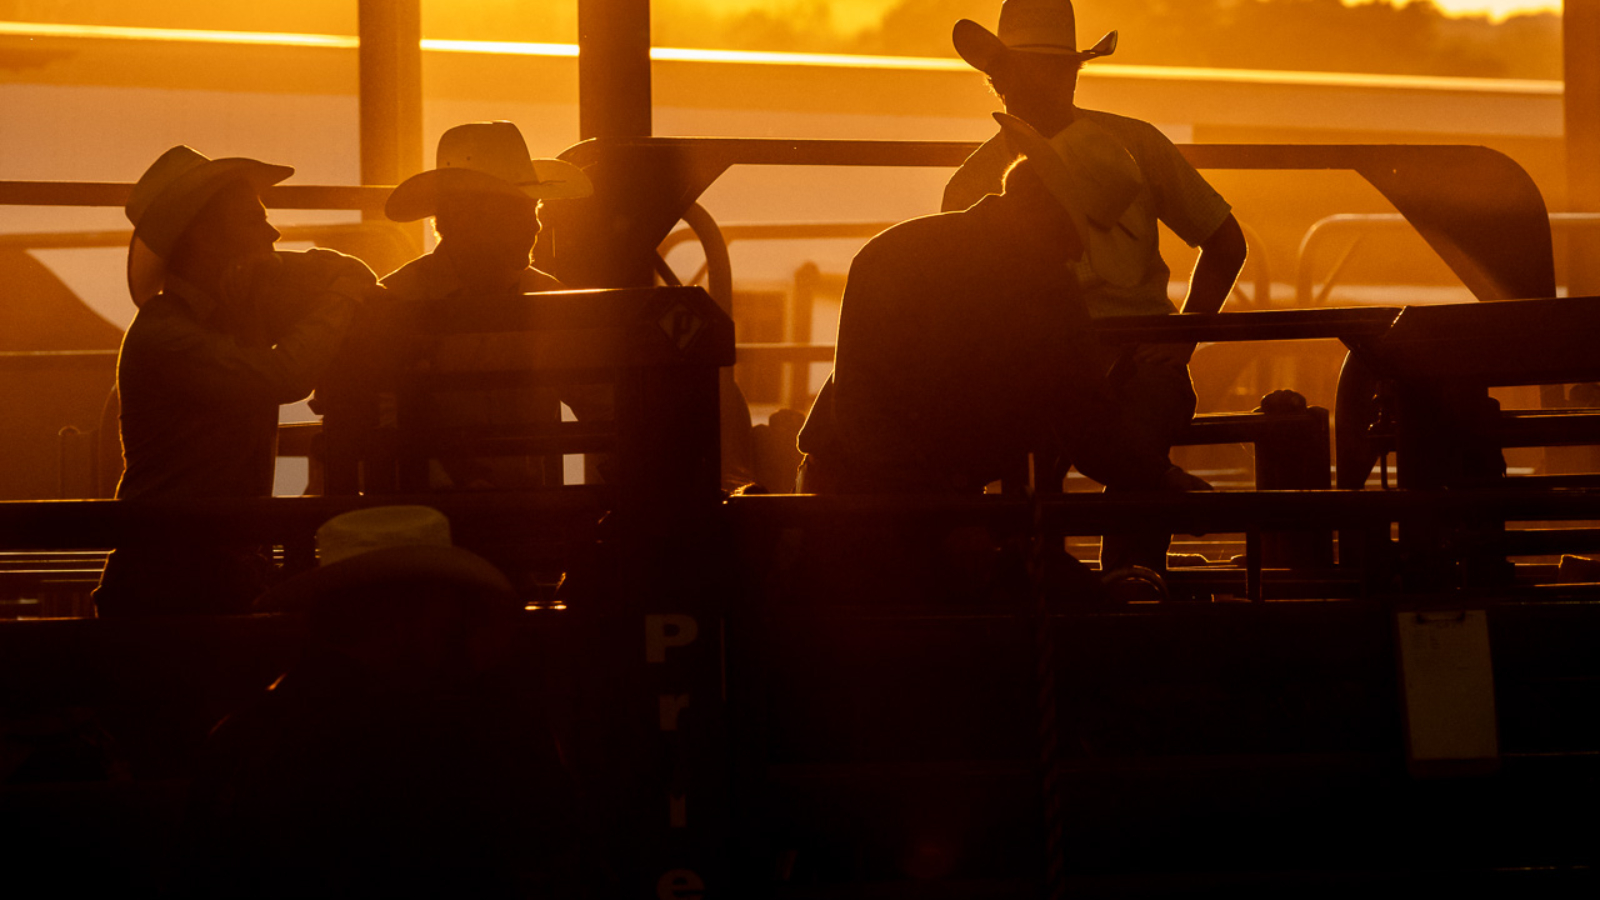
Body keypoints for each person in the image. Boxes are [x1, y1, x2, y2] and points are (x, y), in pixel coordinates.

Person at [944, 0, 1247, 573]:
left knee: (1035, 463)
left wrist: (1180, 338)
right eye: (1023, 71)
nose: (1035, 84)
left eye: (1050, 70)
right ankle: (1123, 586)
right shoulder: (1131, 146)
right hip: (1064, 364)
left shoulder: (973, 185)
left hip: (1113, 360)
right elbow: (1224, 241)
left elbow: (1227, 244)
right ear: (997, 79)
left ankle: (1074, 589)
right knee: (1123, 439)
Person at [183, 506, 583, 897]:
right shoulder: (444, 738)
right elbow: (548, 839)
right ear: (406, 613)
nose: (458, 621)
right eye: (448, 603)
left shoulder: (242, 735)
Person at [797, 121, 1202, 500]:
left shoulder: (891, 254)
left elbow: (862, 411)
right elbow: (1085, 423)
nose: (1074, 257)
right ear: (1049, 219)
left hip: (853, 490)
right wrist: (1162, 478)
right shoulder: (1048, 293)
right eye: (1072, 240)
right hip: (880, 499)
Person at [94, 146, 376, 617]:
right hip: (170, 585)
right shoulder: (165, 336)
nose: (273, 231)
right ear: (205, 236)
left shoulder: (210, 320)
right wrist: (344, 295)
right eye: (252, 219)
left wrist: (289, 274)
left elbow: (346, 270)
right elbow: (283, 377)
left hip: (191, 572)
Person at [320, 121, 604, 492]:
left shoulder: (397, 298)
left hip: (489, 520)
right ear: (465, 216)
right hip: (436, 523)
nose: (535, 226)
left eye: (533, 208)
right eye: (517, 210)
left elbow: (602, 405)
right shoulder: (547, 301)